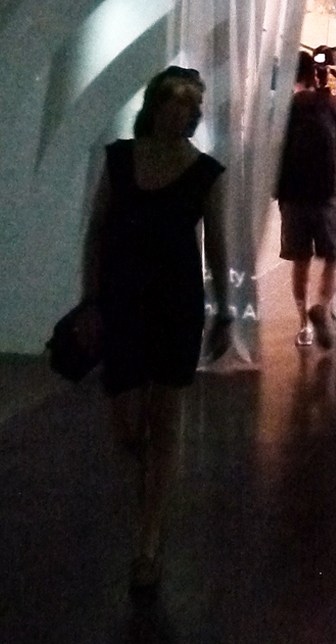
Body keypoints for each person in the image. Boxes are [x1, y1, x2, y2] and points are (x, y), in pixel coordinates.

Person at [77, 66, 232, 594]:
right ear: (155, 106)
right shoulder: (121, 159)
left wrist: (225, 310)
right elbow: (97, 231)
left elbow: (216, 246)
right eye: (173, 102)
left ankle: (147, 542)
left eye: (189, 105)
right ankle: (154, 489)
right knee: (127, 429)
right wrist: (90, 300)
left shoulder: (204, 172)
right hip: (122, 304)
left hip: (176, 306)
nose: (180, 113)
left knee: (165, 422)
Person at [274, 47, 336, 350]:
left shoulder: (283, 108)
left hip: (293, 195)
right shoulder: (334, 105)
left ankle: (304, 325)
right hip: (328, 193)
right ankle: (322, 306)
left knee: (300, 261)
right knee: (333, 256)